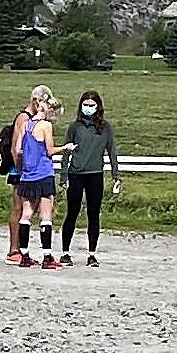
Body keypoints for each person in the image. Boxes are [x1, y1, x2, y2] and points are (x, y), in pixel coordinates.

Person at [56, 89, 116, 265]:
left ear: (98, 107)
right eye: (85, 105)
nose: (88, 108)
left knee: (93, 214)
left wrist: (116, 174)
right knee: (72, 212)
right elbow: (66, 152)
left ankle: (91, 253)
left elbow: (112, 150)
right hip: (76, 174)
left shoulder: (105, 128)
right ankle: (65, 252)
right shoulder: (75, 127)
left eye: (92, 105)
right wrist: (64, 175)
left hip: (95, 174)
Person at [6, 88, 63, 269]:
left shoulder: (25, 125)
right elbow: (49, 150)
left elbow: (19, 149)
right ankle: (47, 256)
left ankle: (24, 255)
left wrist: (24, 167)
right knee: (46, 215)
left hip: (27, 175)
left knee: (26, 214)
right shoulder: (46, 126)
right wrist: (66, 148)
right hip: (43, 173)